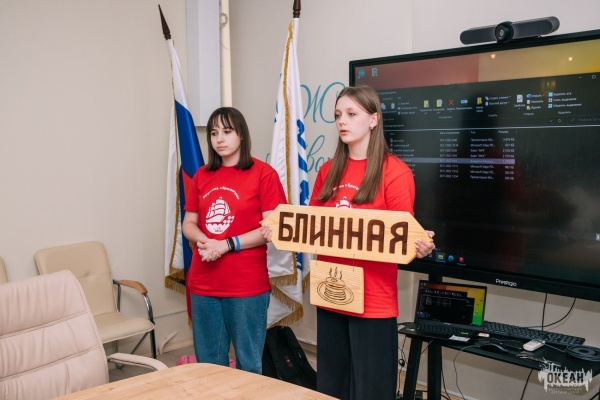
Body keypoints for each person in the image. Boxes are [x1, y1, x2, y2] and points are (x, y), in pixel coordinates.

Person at [309, 85, 435, 399]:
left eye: (352, 114)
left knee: (372, 391)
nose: (342, 121)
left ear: (373, 119)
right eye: (338, 114)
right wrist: (278, 227)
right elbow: (311, 225)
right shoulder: (327, 170)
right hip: (331, 292)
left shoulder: (395, 172)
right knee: (331, 387)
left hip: (373, 299)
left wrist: (418, 244)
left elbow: (403, 235)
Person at [182, 107, 287, 374]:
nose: (219, 139)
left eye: (227, 131)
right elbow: (188, 223)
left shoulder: (263, 174)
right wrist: (205, 240)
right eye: (214, 133)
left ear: (241, 134)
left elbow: (273, 228)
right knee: (208, 366)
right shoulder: (201, 175)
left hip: (245, 286)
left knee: (248, 365)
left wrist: (226, 244)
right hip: (204, 284)